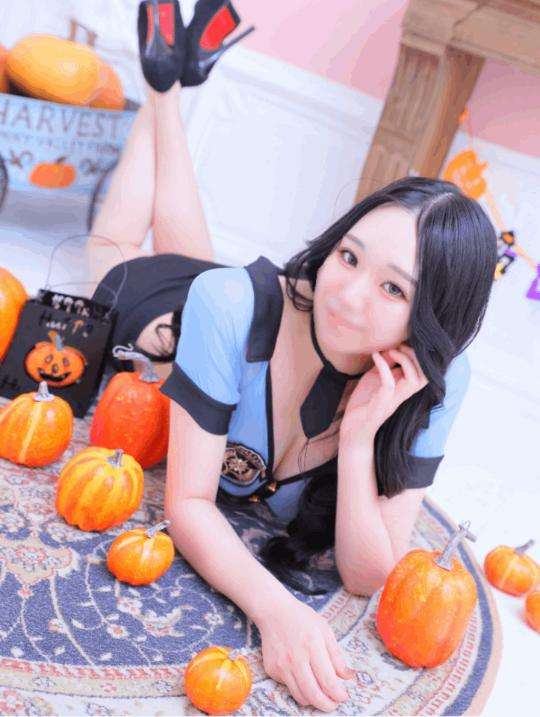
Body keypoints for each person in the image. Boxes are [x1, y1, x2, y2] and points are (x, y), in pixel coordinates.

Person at [85, 1, 498, 711]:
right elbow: (187, 503)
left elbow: (368, 575)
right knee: (116, 248)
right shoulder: (230, 305)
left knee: (202, 266)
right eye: (349, 256)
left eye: (393, 288)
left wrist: (362, 437)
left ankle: (169, 79)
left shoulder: (439, 380)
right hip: (170, 312)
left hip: (219, 304)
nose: (348, 293)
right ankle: (162, 92)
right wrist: (278, 612)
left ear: (431, 320)